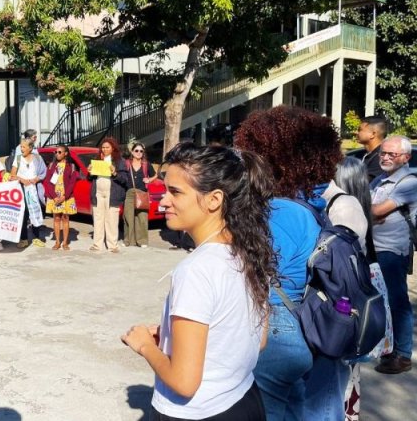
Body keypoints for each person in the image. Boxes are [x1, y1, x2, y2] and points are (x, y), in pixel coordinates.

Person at [121, 142, 274, 420]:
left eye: (175, 192)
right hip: (244, 400)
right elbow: (257, 340)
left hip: (197, 412)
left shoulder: (196, 270)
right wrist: (173, 337)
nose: (163, 200)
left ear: (214, 200)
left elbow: (183, 382)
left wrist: (145, 345)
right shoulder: (248, 251)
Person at [234, 105, 343, 421]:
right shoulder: (309, 206)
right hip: (295, 324)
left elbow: (253, 276)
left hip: (273, 329)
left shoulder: (278, 212)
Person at [327, 157, 374, 421]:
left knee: (343, 369)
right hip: (354, 299)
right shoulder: (357, 206)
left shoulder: (344, 207)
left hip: (344, 302)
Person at [369, 135, 416, 375]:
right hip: (374, 247)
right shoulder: (379, 180)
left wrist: (373, 212)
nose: (385, 157)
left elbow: (376, 209)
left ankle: (403, 355)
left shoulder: (408, 182)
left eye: (392, 154)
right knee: (382, 300)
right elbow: (369, 209)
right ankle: (389, 349)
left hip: (393, 249)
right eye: (383, 153)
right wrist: (372, 213)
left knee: (398, 301)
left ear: (406, 158)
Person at [87, 137, 128, 253]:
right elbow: (90, 178)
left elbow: (125, 179)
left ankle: (112, 245)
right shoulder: (97, 159)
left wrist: (114, 173)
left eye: (107, 147)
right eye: (103, 147)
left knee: (111, 220)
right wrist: (89, 172)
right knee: (98, 219)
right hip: (98, 193)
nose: (104, 150)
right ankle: (97, 244)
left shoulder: (120, 161)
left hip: (112, 193)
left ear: (113, 148)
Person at [11, 138, 48, 248]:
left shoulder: (37, 158)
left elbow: (43, 172)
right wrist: (22, 180)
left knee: (35, 211)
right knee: (24, 213)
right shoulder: (18, 159)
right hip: (22, 189)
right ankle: (24, 239)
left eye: (24, 147)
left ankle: (37, 238)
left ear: (30, 148)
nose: (21, 149)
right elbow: (12, 175)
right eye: (21, 147)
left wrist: (36, 179)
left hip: (34, 189)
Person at [42, 144, 77, 250]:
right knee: (56, 218)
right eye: (56, 152)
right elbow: (47, 182)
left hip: (66, 196)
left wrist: (64, 196)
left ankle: (65, 242)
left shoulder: (71, 166)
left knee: (65, 218)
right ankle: (57, 242)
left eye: (59, 152)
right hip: (54, 196)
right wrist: (54, 196)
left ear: (66, 153)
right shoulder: (51, 165)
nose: (57, 154)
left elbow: (72, 182)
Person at [123, 141, 157, 248]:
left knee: (142, 218)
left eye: (141, 151)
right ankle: (128, 240)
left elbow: (156, 175)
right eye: (136, 151)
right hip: (129, 193)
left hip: (142, 193)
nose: (139, 153)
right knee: (128, 217)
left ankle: (142, 241)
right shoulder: (126, 163)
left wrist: (149, 180)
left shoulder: (146, 164)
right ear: (132, 152)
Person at [356, 116, 387, 182]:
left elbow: (363, 183)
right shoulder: (366, 154)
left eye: (359, 130)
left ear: (373, 134)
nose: (356, 133)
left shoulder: (381, 157)